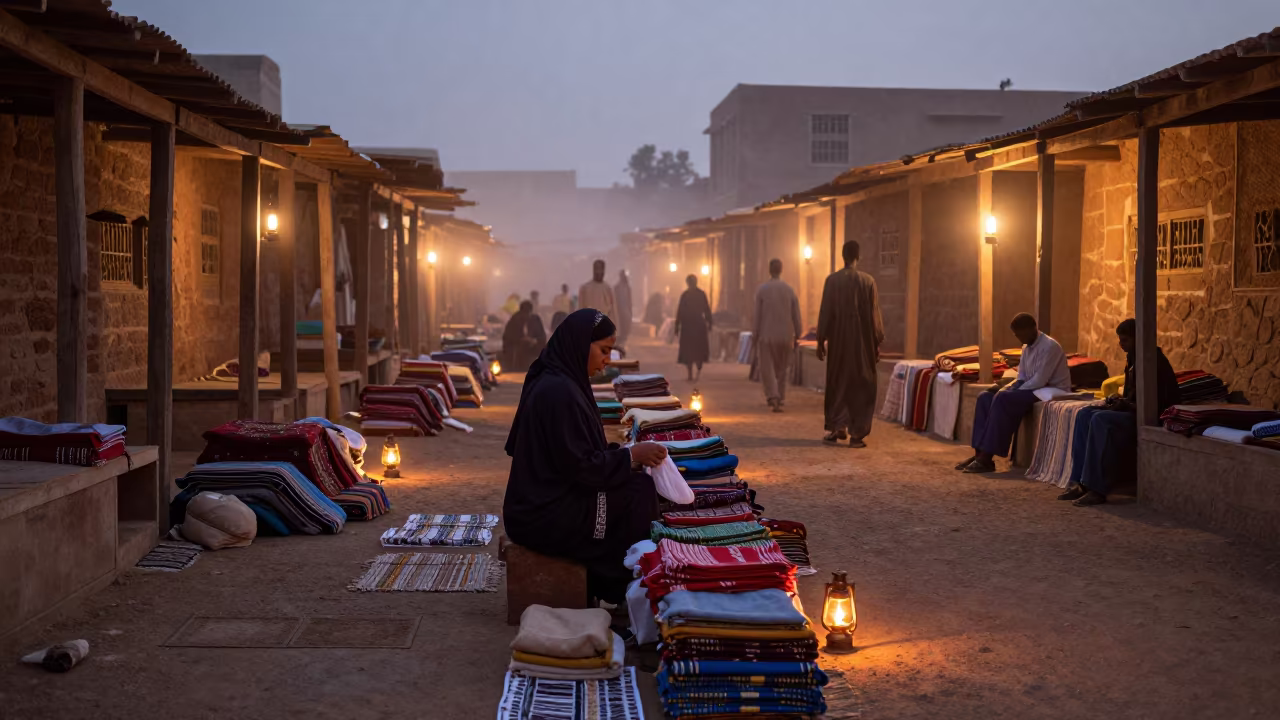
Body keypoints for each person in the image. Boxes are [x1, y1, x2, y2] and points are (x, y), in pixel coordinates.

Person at [503, 308, 668, 605]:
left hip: (552, 495)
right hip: (541, 512)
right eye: (604, 351)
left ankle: (615, 578)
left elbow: (581, 454)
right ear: (581, 344)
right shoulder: (558, 392)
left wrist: (627, 457)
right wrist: (631, 454)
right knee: (638, 493)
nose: (607, 361)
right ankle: (616, 583)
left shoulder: (565, 382)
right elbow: (582, 468)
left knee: (635, 484)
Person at [1058, 318, 1180, 506]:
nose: (1121, 344)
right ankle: (1079, 482)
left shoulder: (1153, 362)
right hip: (1131, 410)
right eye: (1120, 340)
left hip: (1146, 416)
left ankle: (1096, 488)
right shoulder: (1133, 358)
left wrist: (1124, 404)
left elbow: (1153, 401)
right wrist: (1118, 401)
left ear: (1138, 339)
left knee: (1100, 419)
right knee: (1084, 414)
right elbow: (1132, 395)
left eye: (1125, 340)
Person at [956, 313, 1071, 473]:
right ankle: (979, 453)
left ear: (1033, 329)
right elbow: (1022, 375)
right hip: (1033, 387)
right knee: (985, 396)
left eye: (1021, 334)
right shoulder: (1026, 347)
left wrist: (1010, 391)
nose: (1019, 339)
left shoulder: (1050, 347)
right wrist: (1009, 387)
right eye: (1017, 335)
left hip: (1050, 389)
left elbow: (1040, 380)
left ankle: (987, 457)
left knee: (1003, 398)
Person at [817, 241, 884, 448]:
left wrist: (821, 340)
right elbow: (874, 316)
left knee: (838, 384)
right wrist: (876, 342)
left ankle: (838, 426)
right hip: (862, 346)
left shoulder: (832, 281)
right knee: (861, 386)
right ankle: (857, 434)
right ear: (858, 256)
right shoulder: (868, 281)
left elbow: (825, 312)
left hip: (838, 345)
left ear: (843, 256)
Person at [754, 258, 802, 412]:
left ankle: (773, 396)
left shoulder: (762, 289)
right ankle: (780, 395)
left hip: (767, 334)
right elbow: (796, 314)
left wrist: (755, 334)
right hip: (786, 334)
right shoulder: (789, 289)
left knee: (767, 368)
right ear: (781, 270)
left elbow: (757, 315)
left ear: (769, 270)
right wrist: (798, 334)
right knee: (782, 368)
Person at [674, 274, 712, 382]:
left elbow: (680, 312)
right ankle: (694, 372)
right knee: (695, 350)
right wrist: (709, 322)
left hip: (689, 325)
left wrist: (677, 326)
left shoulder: (686, 295)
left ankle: (692, 372)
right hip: (697, 325)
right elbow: (707, 309)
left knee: (690, 351)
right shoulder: (699, 294)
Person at [501, 301, 535, 372]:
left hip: (517, 343)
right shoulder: (517, 319)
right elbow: (513, 336)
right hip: (512, 345)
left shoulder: (522, 318)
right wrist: (526, 339)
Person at [614, 270, 633, 348]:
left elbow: (629, 300)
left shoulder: (625, 287)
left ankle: (621, 343)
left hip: (624, 310)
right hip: (620, 310)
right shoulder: (617, 287)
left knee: (624, 328)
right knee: (621, 328)